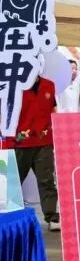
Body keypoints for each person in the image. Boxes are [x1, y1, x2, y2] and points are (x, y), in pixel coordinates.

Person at [4, 78, 59, 230]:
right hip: (18, 141)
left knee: (47, 180)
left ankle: (52, 216)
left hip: (44, 141)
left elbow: (53, 109)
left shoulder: (49, 85)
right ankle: (7, 217)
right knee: (12, 182)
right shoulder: (13, 84)